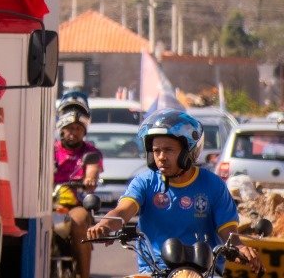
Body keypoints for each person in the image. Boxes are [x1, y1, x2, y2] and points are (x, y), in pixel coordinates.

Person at [87, 109, 262, 275]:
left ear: (188, 151)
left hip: (204, 271)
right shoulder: (145, 182)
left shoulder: (213, 185)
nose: (161, 156)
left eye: (168, 150)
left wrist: (239, 247)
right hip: (153, 270)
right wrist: (104, 225)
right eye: (156, 151)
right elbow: (122, 211)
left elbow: (229, 232)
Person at [52, 109, 103, 278]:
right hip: (49, 203)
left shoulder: (90, 152)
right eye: (70, 128)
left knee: (79, 221)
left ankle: (84, 274)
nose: (73, 132)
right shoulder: (50, 150)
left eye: (78, 129)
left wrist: (89, 179)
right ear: (62, 129)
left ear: (84, 132)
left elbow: (92, 171)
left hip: (76, 205)